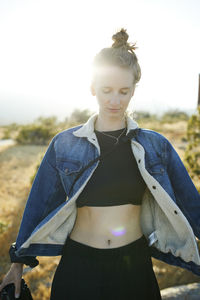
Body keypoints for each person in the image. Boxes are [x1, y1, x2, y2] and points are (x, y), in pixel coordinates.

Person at [0, 28, 200, 300]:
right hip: (79, 265)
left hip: (134, 265)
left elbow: (190, 203)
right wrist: (17, 265)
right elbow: (39, 203)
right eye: (106, 90)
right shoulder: (65, 144)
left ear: (133, 92)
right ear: (92, 87)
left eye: (123, 91)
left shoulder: (156, 146)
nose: (115, 100)